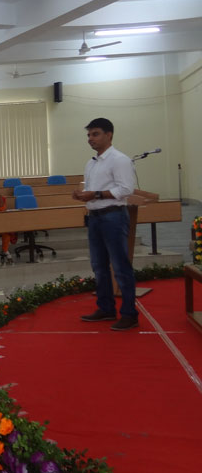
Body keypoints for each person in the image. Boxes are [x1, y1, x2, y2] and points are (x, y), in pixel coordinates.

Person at [72, 117, 138, 331]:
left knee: (120, 267)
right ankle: (106, 308)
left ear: (109, 135)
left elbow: (126, 189)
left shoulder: (120, 160)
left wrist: (96, 194)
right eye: (88, 135)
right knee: (99, 266)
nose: (90, 138)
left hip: (113, 217)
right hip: (95, 217)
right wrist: (82, 195)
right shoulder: (91, 162)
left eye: (95, 134)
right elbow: (92, 190)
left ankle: (129, 314)